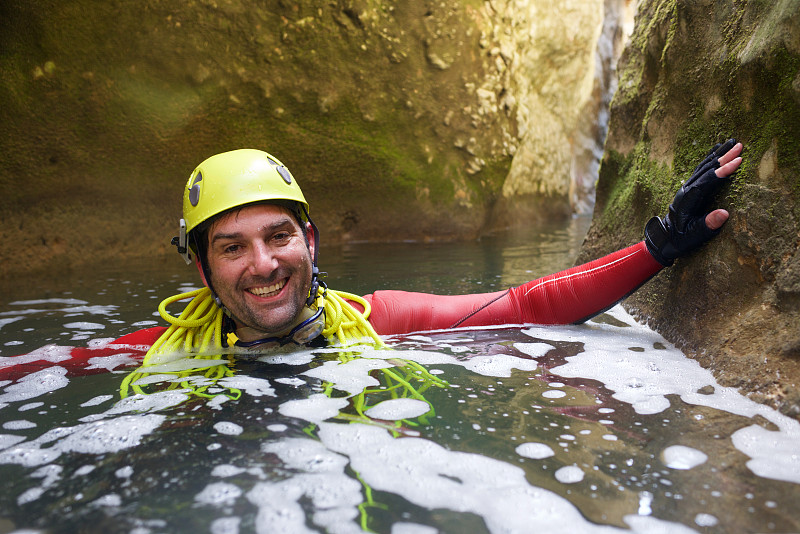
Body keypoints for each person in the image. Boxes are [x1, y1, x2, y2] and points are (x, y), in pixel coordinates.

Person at [0, 140, 743, 380]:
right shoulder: (161, 354)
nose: (262, 264)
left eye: (278, 237)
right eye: (232, 247)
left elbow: (520, 305)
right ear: (202, 271)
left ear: (311, 243)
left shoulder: (378, 320)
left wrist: (656, 247)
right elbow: (53, 361)